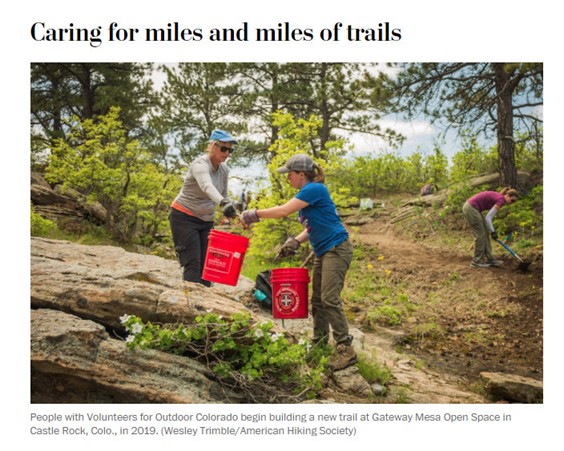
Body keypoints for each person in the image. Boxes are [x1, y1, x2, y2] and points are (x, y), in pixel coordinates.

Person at [240, 154, 357, 371]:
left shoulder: (314, 189)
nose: (288, 179)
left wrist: (254, 214)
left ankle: (345, 349)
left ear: (301, 174)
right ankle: (320, 343)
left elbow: (284, 210)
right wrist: (296, 240)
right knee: (318, 301)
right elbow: (312, 225)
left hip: (337, 248)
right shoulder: (308, 194)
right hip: (323, 250)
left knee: (330, 299)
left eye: (290, 174)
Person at [169, 130, 239, 286]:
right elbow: (206, 186)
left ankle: (207, 308)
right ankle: (192, 308)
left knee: (208, 268)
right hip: (184, 217)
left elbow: (223, 195)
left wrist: (236, 210)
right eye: (224, 149)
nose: (227, 153)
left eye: (230, 150)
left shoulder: (224, 170)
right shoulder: (200, 164)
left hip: (206, 221)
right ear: (212, 146)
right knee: (193, 264)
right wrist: (223, 203)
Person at [462, 187, 519, 268]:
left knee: (485, 233)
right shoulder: (501, 200)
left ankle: (490, 259)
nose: (512, 203)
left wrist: (492, 232)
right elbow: (488, 218)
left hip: (474, 208)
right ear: (507, 195)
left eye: (514, 202)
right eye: (512, 200)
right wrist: (493, 232)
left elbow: (487, 218)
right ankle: (476, 262)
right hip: (471, 208)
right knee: (480, 235)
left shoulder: (499, 198)